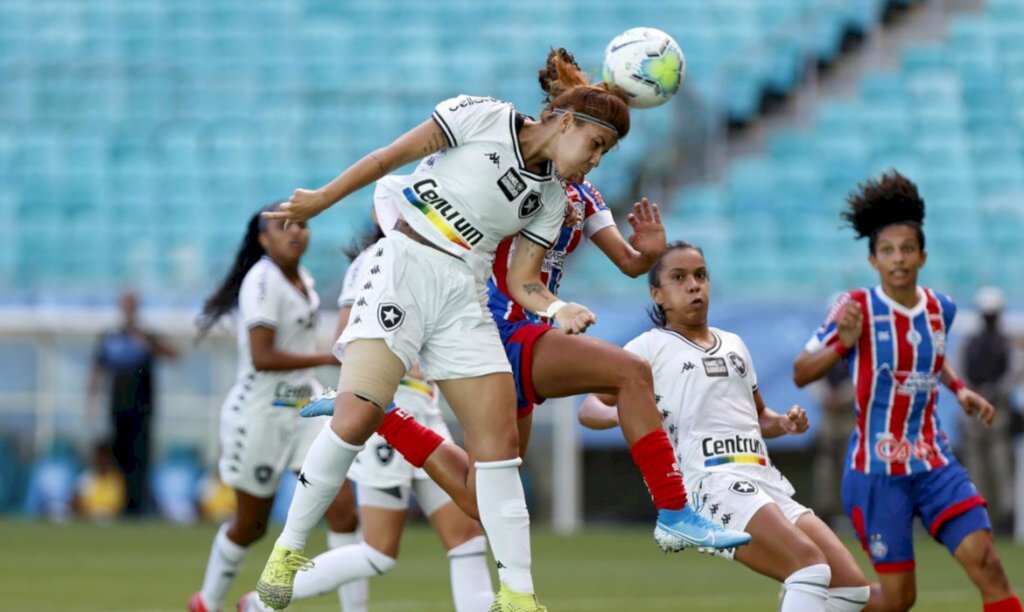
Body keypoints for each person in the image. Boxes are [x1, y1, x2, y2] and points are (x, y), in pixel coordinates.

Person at [256, 48, 694, 612]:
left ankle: (516, 595)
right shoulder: (483, 115)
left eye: (604, 153)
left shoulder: (553, 198)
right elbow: (390, 156)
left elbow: (523, 281)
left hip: (464, 295)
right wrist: (321, 198)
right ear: (567, 123)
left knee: (499, 450)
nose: (596, 162)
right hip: (404, 270)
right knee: (357, 414)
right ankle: (288, 549)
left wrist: (555, 309)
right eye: (596, 146)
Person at [577, 242, 871, 612]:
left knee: (850, 589)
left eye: (700, 275)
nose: (694, 285)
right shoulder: (646, 349)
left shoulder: (734, 344)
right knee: (809, 567)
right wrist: (633, 413)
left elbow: (759, 416)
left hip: (763, 479)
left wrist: (783, 422)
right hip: (710, 484)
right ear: (657, 293)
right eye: (679, 277)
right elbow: (589, 408)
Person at [792, 171, 1021, 612]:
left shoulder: (942, 308)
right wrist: (842, 339)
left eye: (907, 250)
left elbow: (929, 353)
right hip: (877, 472)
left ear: (923, 256)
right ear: (874, 260)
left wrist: (959, 389)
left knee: (987, 563)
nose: (898, 259)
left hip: (934, 461)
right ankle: (823, 604)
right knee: (900, 601)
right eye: (887, 251)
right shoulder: (854, 307)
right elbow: (802, 372)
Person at [238, 229, 494, 612]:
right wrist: (415, 361)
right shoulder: (376, 259)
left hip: (426, 411)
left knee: (468, 537)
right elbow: (345, 340)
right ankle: (259, 603)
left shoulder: (438, 261)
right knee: (379, 551)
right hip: (385, 411)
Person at [188, 203, 357, 612]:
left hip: (304, 411)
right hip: (259, 415)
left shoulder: (305, 280)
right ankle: (208, 601)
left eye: (301, 224)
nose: (295, 232)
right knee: (251, 526)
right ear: (263, 239)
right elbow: (263, 357)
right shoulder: (262, 280)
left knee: (344, 514)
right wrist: (326, 358)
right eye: (283, 227)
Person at [87, 290, 178, 516]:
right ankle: (120, 502)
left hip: (142, 409)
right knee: (119, 456)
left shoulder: (146, 335)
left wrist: (147, 341)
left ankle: (137, 506)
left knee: (140, 458)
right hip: (117, 408)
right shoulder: (110, 336)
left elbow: (173, 355)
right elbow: (98, 370)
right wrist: (91, 400)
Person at [960, 286, 1018, 534]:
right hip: (974, 415)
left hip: (999, 413)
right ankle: (979, 516)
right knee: (977, 468)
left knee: (1001, 466)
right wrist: (976, 392)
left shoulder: (1007, 344)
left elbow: (1012, 374)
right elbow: (961, 373)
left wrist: (993, 391)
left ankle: (1004, 518)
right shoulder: (970, 344)